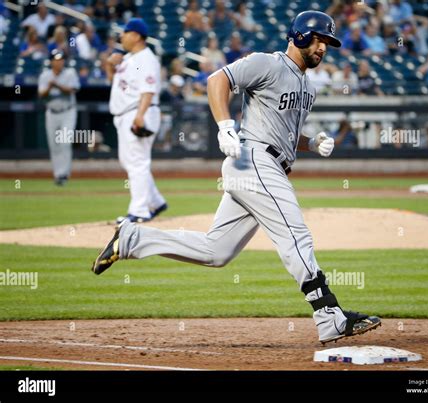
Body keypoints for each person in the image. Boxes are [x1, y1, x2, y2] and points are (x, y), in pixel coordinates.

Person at [92, 11, 381, 345]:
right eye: (318, 39)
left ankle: (131, 240)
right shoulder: (267, 63)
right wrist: (225, 126)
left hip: (264, 165)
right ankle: (329, 316)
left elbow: (284, 136)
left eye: (327, 43)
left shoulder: (307, 85)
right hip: (254, 160)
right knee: (295, 233)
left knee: (216, 251)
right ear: (299, 35)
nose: (323, 48)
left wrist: (311, 144)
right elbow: (218, 80)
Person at [105, 18, 167, 223]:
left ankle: (139, 210)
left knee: (137, 162)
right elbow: (117, 85)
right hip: (127, 113)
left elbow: (148, 89)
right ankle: (156, 202)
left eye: (125, 32)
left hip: (139, 111)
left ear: (136, 35)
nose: (121, 36)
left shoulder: (145, 59)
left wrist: (140, 116)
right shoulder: (130, 58)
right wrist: (110, 67)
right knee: (130, 161)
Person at [38, 49, 80, 186]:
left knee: (65, 142)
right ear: (51, 61)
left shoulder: (70, 73)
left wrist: (57, 85)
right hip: (52, 112)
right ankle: (57, 174)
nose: (59, 62)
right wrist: (50, 87)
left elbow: (73, 90)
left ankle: (64, 174)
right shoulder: (45, 75)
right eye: (56, 59)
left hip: (67, 111)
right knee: (54, 145)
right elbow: (41, 95)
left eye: (61, 59)